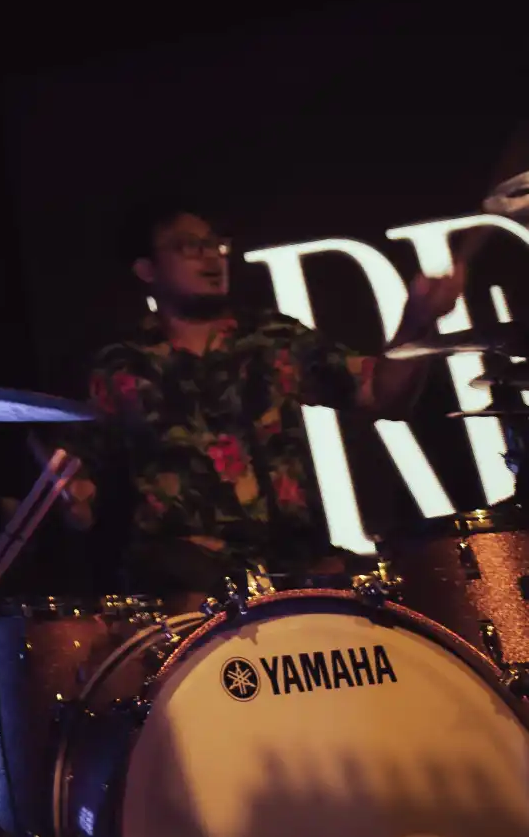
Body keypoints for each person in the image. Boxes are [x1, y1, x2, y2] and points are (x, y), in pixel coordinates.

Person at [67, 202, 463, 607]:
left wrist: (418, 320)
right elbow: (81, 475)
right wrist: (74, 496)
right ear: (147, 269)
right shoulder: (121, 366)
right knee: (175, 575)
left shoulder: (273, 338)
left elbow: (382, 394)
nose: (210, 256)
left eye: (215, 245)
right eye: (188, 246)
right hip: (186, 577)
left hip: (291, 564)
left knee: (395, 590)